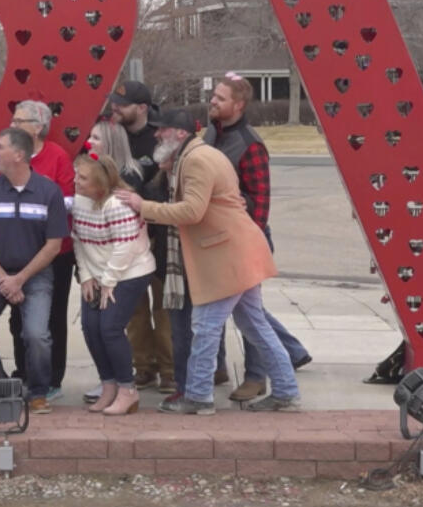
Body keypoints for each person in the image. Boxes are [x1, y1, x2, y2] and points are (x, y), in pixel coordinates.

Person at [115, 107, 300, 414]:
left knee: (205, 325)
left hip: (227, 255)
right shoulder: (196, 155)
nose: (157, 134)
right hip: (236, 253)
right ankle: (286, 391)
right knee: (254, 325)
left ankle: (199, 397)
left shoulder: (197, 160)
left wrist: (141, 205)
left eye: (163, 130)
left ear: (180, 134)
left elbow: (192, 211)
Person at [205, 73, 312, 403]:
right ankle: (218, 367)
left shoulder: (250, 145)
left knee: (249, 315)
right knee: (232, 310)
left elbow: (260, 206)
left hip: (244, 241)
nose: (212, 101)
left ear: (237, 105)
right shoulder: (211, 133)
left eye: (220, 99)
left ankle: (256, 378)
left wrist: (232, 210)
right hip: (216, 239)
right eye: (214, 96)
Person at [0, 127, 69, 414]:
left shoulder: (49, 192)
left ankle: (37, 391)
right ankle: (1, 388)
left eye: (0, 147)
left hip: (35, 276)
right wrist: (3, 278)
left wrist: (20, 279)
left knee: (36, 336)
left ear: (19, 154)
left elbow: (53, 245)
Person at [71, 152, 156, 415]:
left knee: (110, 328)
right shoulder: (79, 201)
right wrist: (85, 276)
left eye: (83, 178)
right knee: (90, 327)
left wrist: (108, 281)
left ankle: (127, 390)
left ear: (100, 183)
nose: (76, 181)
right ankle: (108, 384)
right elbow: (78, 241)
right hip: (98, 274)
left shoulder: (116, 204)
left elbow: (125, 246)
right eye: (76, 174)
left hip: (129, 272)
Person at [109, 81, 177, 394]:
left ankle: (169, 370)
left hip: (160, 233)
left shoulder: (160, 135)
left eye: (122, 104)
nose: (116, 109)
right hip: (125, 234)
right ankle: (143, 367)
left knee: (163, 305)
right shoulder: (114, 135)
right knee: (133, 308)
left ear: (142, 108)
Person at [6, 101, 75, 401]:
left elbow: (69, 199)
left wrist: (41, 194)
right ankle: (23, 373)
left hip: (55, 251)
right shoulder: (11, 154)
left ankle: (51, 379)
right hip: (17, 250)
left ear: (37, 126)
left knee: (52, 318)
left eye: (19, 120)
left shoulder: (57, 156)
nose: (13, 124)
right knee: (17, 318)